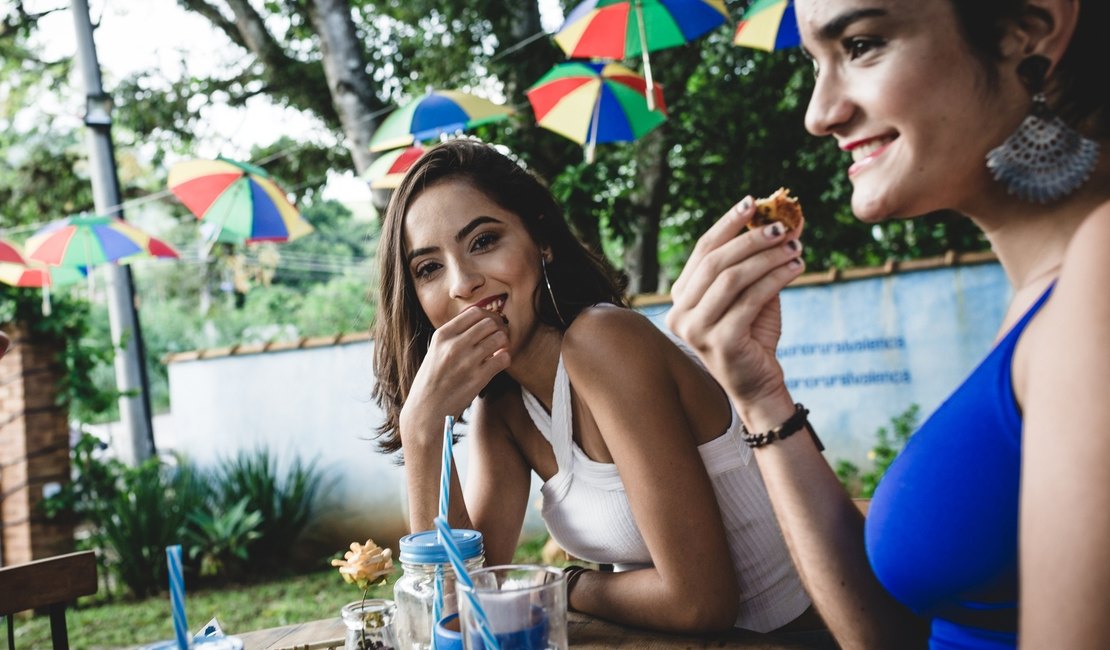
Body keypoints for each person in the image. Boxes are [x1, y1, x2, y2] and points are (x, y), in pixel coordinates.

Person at [666, 0, 1109, 647]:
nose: (820, 114)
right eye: (814, 63)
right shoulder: (1046, 297)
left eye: (862, 44)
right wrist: (758, 395)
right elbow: (901, 635)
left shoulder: (1100, 271)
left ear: (1028, 28)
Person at [372, 139, 817, 634]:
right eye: (429, 268)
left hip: (799, 635)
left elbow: (700, 603)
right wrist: (422, 431)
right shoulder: (504, 411)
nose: (462, 283)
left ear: (540, 239)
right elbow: (460, 607)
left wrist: (564, 584)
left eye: (483, 241)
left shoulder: (603, 341)